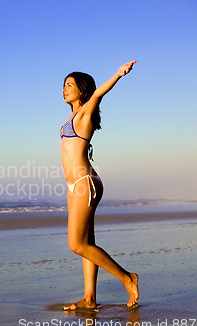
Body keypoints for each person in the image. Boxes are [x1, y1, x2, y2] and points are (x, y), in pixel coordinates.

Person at [60, 61, 139, 310]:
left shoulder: (85, 112)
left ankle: (128, 277)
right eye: (63, 85)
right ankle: (89, 298)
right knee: (87, 244)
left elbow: (98, 94)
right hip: (74, 187)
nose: (64, 89)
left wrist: (117, 74)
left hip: (85, 183)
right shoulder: (70, 117)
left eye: (69, 85)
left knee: (77, 245)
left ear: (81, 89)